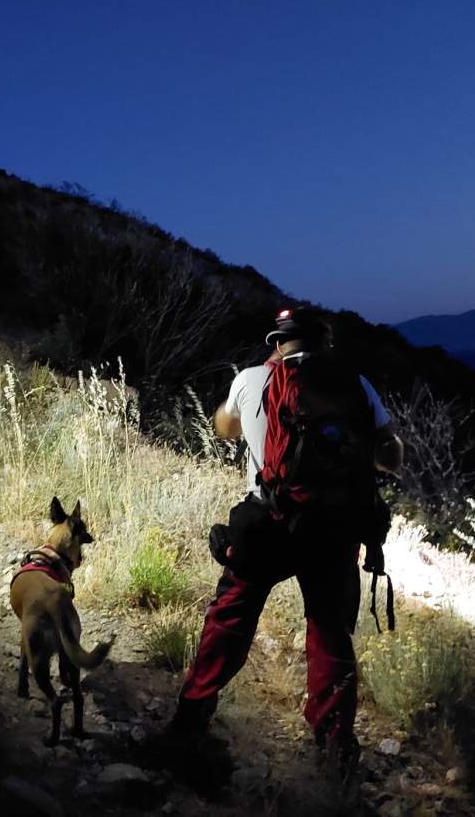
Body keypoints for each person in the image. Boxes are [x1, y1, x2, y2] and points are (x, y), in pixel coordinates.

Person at [169, 306, 403, 777]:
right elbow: (390, 457)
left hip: (270, 522)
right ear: (325, 344)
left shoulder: (252, 379)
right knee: (330, 632)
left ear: (277, 343)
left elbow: (224, 428)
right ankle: (334, 748)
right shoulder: (355, 384)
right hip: (332, 529)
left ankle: (191, 716)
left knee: (231, 618)